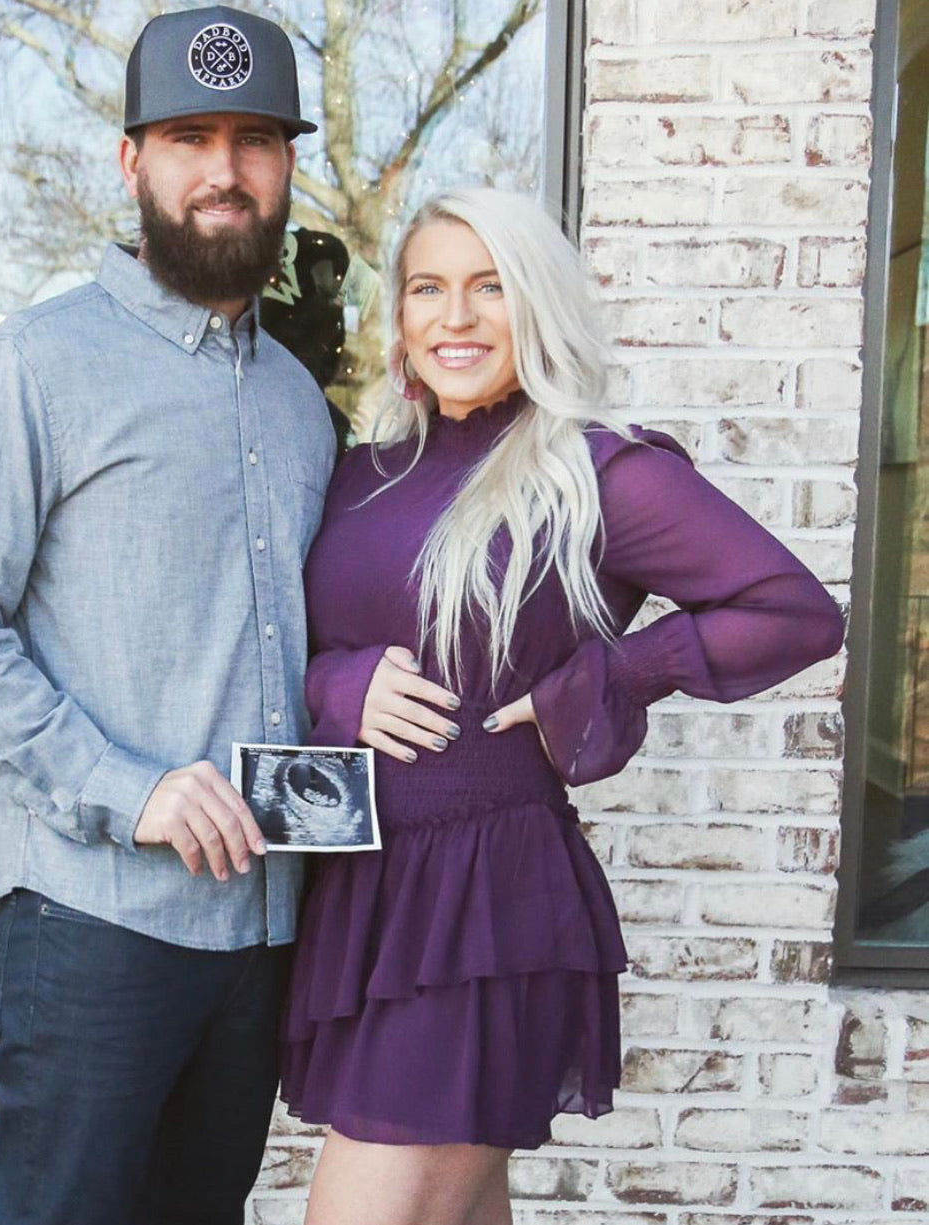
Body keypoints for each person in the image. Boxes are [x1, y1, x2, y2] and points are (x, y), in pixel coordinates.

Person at [278, 188, 846, 1225]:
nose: (456, 317)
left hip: (488, 899)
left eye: (489, 288)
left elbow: (793, 610)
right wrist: (337, 684)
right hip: (365, 889)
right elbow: (301, 647)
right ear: (399, 317)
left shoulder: (593, 471)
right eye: (428, 289)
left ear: (535, 305)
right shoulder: (359, 473)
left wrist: (606, 678)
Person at [0, 8, 333, 1224]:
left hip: (257, 933)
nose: (224, 171)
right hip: (95, 922)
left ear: (287, 166)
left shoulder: (302, 403)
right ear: (132, 160)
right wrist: (128, 785)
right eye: (190, 136)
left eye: (255, 139)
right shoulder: (39, 364)